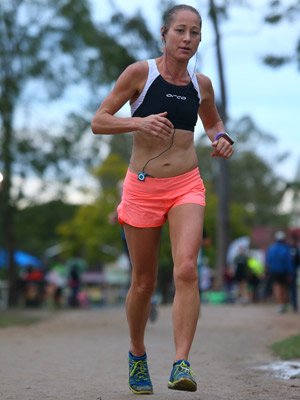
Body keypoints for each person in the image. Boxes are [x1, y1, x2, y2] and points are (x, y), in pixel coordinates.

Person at [92, 4, 234, 394]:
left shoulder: (201, 84)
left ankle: (180, 362)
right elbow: (99, 120)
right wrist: (138, 121)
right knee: (143, 282)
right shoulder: (141, 73)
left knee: (186, 269)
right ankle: (137, 355)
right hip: (142, 187)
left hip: (186, 184)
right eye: (181, 31)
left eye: (195, 33)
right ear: (165, 34)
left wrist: (221, 140)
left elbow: (214, 123)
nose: (188, 39)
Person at [265, 231, 293, 314]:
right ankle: (283, 304)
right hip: (283, 271)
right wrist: (290, 272)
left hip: (273, 271)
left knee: (276, 288)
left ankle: (279, 305)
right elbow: (288, 262)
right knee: (283, 288)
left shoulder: (271, 248)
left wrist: (267, 271)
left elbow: (268, 261)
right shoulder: (286, 248)